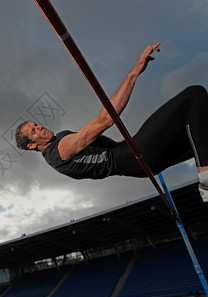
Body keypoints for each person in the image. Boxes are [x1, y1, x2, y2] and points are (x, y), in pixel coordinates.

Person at [15, 42, 208, 202]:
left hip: (135, 159)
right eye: (33, 131)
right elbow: (106, 119)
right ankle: (206, 179)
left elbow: (110, 147)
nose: (39, 126)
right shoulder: (59, 150)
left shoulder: (59, 146)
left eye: (35, 124)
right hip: (132, 158)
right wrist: (135, 71)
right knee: (193, 95)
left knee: (201, 131)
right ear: (32, 145)